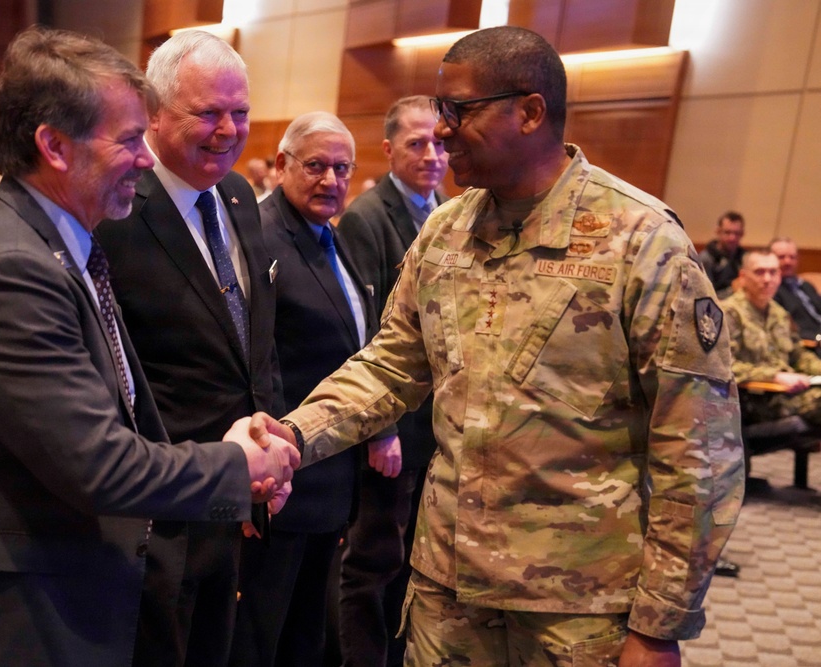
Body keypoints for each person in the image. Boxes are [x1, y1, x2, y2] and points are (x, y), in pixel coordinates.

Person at [252, 26, 744, 666]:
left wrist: (658, 624)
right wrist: (293, 436)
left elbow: (700, 449)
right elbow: (391, 367)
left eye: (458, 111)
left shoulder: (640, 242)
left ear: (531, 111)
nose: (443, 129)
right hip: (446, 599)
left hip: (578, 613)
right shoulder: (447, 232)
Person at [0, 26, 298, 667]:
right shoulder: (10, 268)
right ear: (54, 147)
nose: (146, 161)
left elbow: (129, 414)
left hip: (71, 589)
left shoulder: (58, 242)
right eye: (130, 139)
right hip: (12, 619)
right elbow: (99, 465)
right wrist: (234, 466)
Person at [93, 29, 283, 667]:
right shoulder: (114, 206)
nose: (229, 130)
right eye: (208, 113)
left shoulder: (235, 195)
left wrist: (266, 449)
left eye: (241, 112)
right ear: (154, 111)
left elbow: (256, 340)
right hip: (157, 509)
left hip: (235, 494)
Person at [230, 112, 387, 667]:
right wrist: (258, 472)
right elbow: (257, 360)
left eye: (342, 169)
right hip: (282, 478)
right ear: (281, 165)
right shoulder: (263, 238)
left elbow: (361, 342)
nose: (331, 181)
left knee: (305, 634)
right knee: (260, 636)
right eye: (316, 166)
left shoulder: (330, 237)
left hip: (329, 477)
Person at [334, 94, 448, 667]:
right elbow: (366, 331)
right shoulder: (367, 217)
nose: (433, 155)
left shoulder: (449, 210)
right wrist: (380, 428)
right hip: (393, 428)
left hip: (438, 428)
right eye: (417, 143)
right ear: (388, 150)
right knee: (373, 562)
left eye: (440, 142)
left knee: (415, 562)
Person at [722, 248, 821, 427]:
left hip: (789, 394)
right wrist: (774, 376)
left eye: (773, 272)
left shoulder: (780, 314)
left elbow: (798, 355)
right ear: (743, 276)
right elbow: (725, 367)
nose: (767, 279)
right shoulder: (729, 313)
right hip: (755, 399)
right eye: (760, 272)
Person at [770, 236, 821, 347]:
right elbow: (786, 329)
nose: (788, 261)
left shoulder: (806, 286)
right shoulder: (771, 291)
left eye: (792, 257)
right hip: (808, 345)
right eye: (781, 257)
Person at [698, 210, 746, 297]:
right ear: (718, 231)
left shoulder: (745, 258)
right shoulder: (705, 259)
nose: (732, 238)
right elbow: (704, 296)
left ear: (742, 234)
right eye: (727, 232)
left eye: (736, 233)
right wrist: (732, 290)